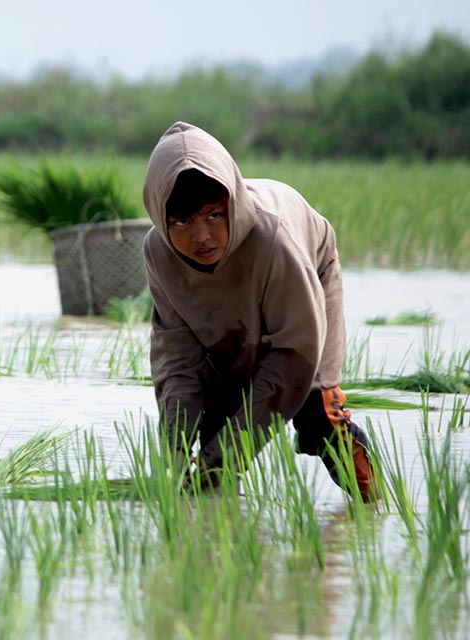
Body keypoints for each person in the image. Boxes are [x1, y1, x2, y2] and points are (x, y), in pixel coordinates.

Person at [141, 121, 378, 502]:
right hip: (225, 311)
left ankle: (374, 505)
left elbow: (291, 358)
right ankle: (218, 541)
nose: (201, 236)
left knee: (317, 415)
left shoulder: (274, 240)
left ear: (230, 205)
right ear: (161, 218)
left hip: (306, 279)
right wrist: (175, 451)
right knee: (213, 420)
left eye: (213, 215)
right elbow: (177, 359)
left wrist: (224, 458)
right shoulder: (159, 252)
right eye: (182, 222)